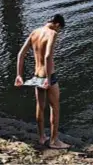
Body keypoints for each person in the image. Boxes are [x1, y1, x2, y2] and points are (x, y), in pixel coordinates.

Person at [14, 14, 71, 149]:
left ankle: (41, 137)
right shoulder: (52, 33)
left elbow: (20, 54)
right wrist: (48, 79)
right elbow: (47, 56)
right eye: (59, 29)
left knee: (40, 106)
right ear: (57, 25)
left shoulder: (35, 32)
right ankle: (54, 141)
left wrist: (19, 75)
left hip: (36, 76)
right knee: (55, 108)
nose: (58, 32)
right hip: (48, 76)